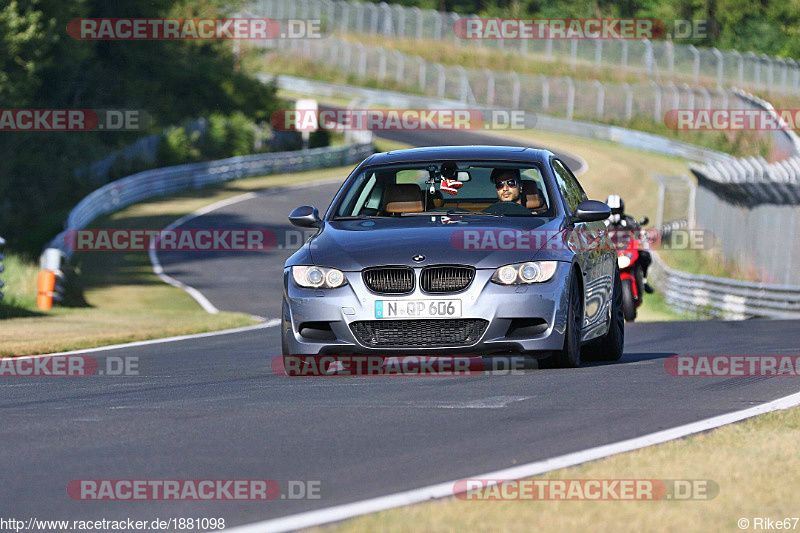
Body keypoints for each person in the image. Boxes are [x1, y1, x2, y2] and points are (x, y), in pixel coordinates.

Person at [605, 194, 654, 294]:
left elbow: (638, 231)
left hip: (626, 250)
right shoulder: (603, 223)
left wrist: (643, 235)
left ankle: (643, 280)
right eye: (612, 211)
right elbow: (595, 234)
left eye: (617, 211)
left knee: (645, 256)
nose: (615, 214)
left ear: (621, 210)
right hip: (610, 252)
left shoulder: (628, 221)